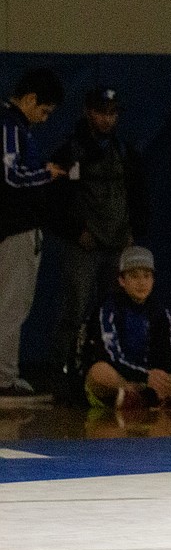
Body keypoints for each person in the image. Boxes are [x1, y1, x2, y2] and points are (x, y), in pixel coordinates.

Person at [47, 86, 150, 394]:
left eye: (112, 113)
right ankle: (60, 374)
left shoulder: (125, 151)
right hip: (84, 246)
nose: (107, 119)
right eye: (101, 112)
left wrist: (134, 233)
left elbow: (140, 197)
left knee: (113, 311)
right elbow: (54, 200)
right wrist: (76, 231)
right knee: (74, 309)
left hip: (118, 245)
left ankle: (108, 371)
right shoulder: (68, 151)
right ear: (87, 111)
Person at [0, 67, 66, 405]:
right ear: (30, 99)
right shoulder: (10, 126)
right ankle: (4, 379)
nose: (43, 119)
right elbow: (10, 176)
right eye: (44, 111)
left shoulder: (14, 126)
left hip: (12, 229)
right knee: (12, 305)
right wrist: (46, 173)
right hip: (15, 231)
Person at [79, 246, 171, 410]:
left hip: (151, 377)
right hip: (125, 376)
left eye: (147, 276)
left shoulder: (160, 311)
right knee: (99, 372)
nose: (142, 282)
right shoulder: (108, 308)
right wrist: (144, 376)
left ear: (153, 280)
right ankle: (134, 394)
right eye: (134, 277)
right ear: (122, 280)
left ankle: (169, 394)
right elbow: (109, 355)